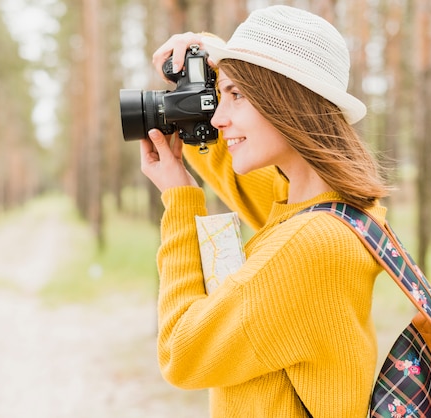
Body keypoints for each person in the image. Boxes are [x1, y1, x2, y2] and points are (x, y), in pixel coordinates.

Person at [139, 5, 390, 418]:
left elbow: (181, 353)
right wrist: (211, 70)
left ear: (287, 101)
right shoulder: (339, 212)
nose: (218, 117)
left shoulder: (312, 246)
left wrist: (180, 199)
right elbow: (238, 172)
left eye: (236, 95)